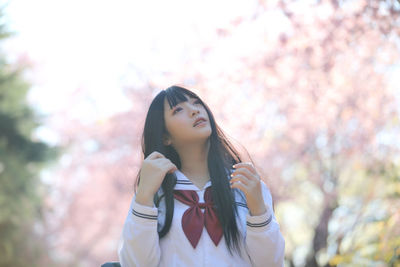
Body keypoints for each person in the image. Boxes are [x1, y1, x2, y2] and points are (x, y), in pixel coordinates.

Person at [118, 85, 285, 266]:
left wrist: (258, 209)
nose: (194, 110)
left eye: (197, 103)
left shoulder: (246, 184)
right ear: (166, 137)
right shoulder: (154, 195)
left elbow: (272, 263)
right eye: (178, 109)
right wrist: (144, 197)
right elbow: (135, 264)